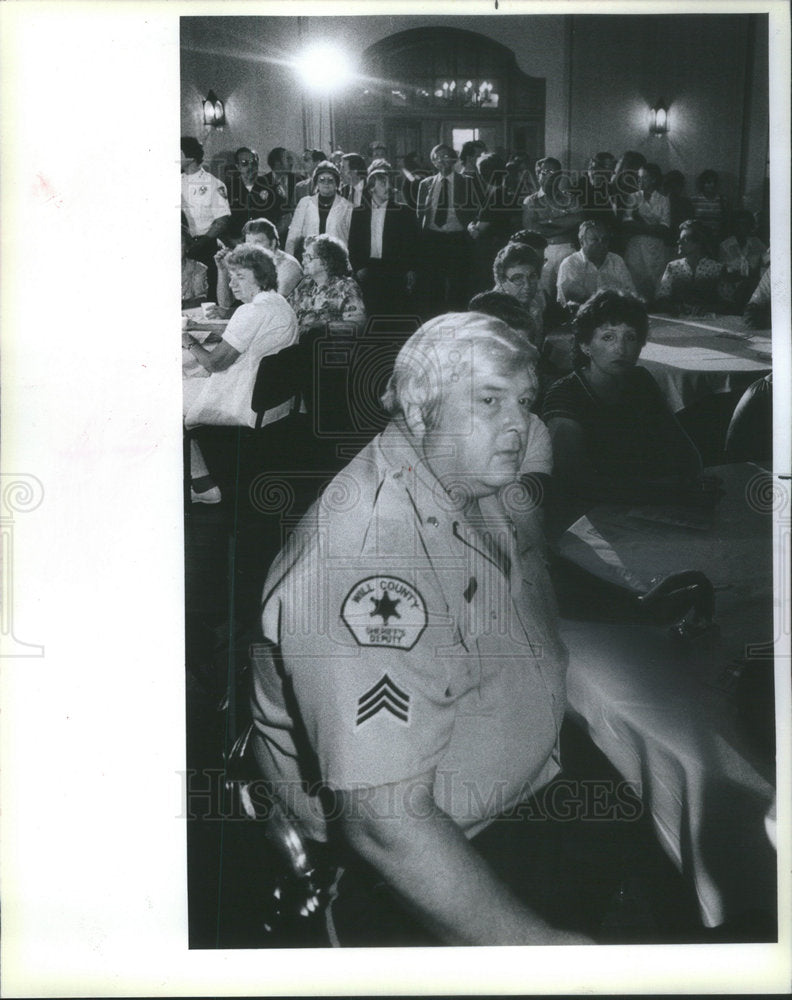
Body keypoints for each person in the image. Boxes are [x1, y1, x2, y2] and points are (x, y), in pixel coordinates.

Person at [249, 311, 594, 946]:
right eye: (488, 401)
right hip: (417, 870)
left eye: (523, 401)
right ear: (418, 404)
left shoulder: (473, 478)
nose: (518, 424)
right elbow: (385, 822)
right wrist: (537, 954)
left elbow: (525, 577)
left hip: (521, 804)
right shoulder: (368, 560)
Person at [542, 290, 706, 525]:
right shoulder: (566, 395)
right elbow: (575, 482)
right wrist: (660, 489)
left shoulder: (640, 380)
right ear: (585, 345)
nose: (621, 349)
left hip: (640, 509)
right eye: (608, 337)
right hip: (584, 520)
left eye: (630, 338)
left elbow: (685, 453)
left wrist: (687, 483)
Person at [182, 244, 298, 501]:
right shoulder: (279, 303)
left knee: (166, 398)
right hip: (274, 400)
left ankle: (203, 486)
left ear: (261, 277)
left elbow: (215, 363)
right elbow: (240, 335)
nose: (233, 284)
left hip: (244, 400)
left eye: (240, 277)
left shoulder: (251, 311)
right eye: (231, 276)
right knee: (189, 380)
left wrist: (188, 341)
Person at [347, 161, 419, 316]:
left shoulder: (404, 212)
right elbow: (353, 243)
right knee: (371, 313)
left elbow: (412, 245)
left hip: (395, 271)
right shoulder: (359, 213)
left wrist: (409, 270)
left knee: (394, 314)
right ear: (371, 188)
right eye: (383, 183)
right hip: (368, 270)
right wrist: (359, 268)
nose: (389, 187)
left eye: (389, 183)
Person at [416, 143, 477, 313]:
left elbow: (476, 211)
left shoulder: (466, 182)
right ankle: (436, 320)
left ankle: (457, 320)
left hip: (457, 239)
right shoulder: (425, 184)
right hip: (433, 239)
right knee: (434, 284)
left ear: (454, 159)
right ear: (433, 162)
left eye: (445, 156)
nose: (441, 160)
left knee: (458, 285)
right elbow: (419, 214)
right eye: (437, 157)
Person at [522, 157, 583, 304]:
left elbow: (577, 220)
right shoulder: (531, 201)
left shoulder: (570, 199)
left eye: (555, 172)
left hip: (568, 250)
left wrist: (546, 223)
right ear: (538, 175)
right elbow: (532, 229)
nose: (551, 176)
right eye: (546, 172)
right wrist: (563, 223)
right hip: (543, 252)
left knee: (570, 294)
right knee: (542, 295)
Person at [215, 218, 303, 313]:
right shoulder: (253, 264)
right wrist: (223, 270)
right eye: (248, 243)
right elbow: (225, 303)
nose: (252, 248)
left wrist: (228, 313)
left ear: (272, 244)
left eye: (257, 242)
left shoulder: (288, 266)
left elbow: (271, 307)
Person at [181, 136, 231, 298]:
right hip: (182, 248)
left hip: (205, 246)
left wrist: (201, 243)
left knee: (208, 296)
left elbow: (222, 220)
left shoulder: (213, 183)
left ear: (190, 156)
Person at [287, 233, 365, 335]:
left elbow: (358, 324)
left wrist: (324, 326)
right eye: (304, 256)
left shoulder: (345, 286)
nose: (303, 261)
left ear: (326, 261)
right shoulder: (305, 284)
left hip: (326, 345)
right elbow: (285, 311)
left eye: (308, 257)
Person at [557, 220, 637, 315]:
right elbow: (572, 299)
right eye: (595, 240)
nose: (601, 244)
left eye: (605, 240)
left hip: (616, 315)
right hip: (583, 317)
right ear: (582, 242)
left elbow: (631, 293)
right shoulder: (570, 264)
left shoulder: (616, 260)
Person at [621, 163, 671, 302]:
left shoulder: (663, 200)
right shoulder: (633, 197)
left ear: (654, 179)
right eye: (639, 178)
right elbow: (627, 223)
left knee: (656, 281)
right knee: (634, 282)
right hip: (636, 247)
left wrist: (639, 224)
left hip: (656, 248)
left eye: (644, 178)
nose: (639, 181)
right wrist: (653, 227)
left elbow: (665, 227)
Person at [285, 161, 354, 261]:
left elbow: (351, 240)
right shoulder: (305, 203)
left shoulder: (347, 207)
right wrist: (289, 262)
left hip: (337, 260)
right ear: (316, 182)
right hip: (309, 260)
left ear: (337, 183)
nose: (326, 183)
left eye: (330, 180)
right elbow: (292, 236)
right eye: (322, 180)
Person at [466, 153, 513, 296]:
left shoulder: (495, 196)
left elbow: (477, 232)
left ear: (483, 174)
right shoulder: (505, 192)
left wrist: (469, 226)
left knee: (486, 289)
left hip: (489, 251)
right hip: (503, 246)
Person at [655, 220, 723, 316]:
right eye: (679, 238)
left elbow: (727, 303)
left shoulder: (716, 269)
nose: (678, 242)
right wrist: (674, 307)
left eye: (685, 239)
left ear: (698, 243)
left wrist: (708, 308)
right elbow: (661, 298)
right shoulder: (673, 267)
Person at [490, 241, 546, 348]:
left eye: (532, 276)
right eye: (517, 278)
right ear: (501, 281)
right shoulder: (493, 314)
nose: (527, 285)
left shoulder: (537, 302)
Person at [225, 146, 283, 240]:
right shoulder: (228, 189)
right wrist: (232, 241)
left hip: (265, 246)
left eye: (254, 163)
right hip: (237, 245)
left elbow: (286, 218)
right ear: (237, 166)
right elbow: (221, 221)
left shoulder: (271, 186)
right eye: (245, 163)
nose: (250, 167)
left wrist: (270, 237)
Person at [718, 210, 767, 312]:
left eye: (746, 224)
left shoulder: (757, 243)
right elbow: (725, 273)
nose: (742, 228)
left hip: (752, 289)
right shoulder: (725, 245)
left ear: (750, 226)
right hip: (731, 290)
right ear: (733, 226)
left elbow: (766, 265)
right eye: (739, 224)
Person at [692, 169, 729, 242]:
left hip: (717, 239)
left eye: (714, 182)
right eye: (708, 182)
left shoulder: (723, 200)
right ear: (703, 184)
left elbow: (726, 221)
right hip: (700, 239)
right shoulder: (694, 200)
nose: (712, 185)